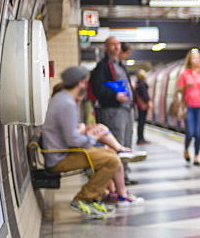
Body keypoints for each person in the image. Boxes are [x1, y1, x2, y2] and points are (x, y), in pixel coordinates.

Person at [42, 67, 144, 218]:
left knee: (110, 153)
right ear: (80, 82)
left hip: (61, 152)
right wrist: (92, 137)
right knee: (111, 160)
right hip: (60, 157)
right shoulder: (67, 103)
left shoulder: (61, 99)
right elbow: (73, 139)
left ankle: (97, 197)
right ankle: (84, 198)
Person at [90, 36, 139, 185]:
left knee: (127, 142)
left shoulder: (120, 65)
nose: (116, 47)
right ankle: (117, 179)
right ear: (106, 47)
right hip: (113, 110)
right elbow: (97, 88)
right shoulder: (103, 67)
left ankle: (125, 175)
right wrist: (114, 95)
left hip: (126, 110)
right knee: (117, 142)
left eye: (118, 45)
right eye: (112, 45)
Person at [176, 49, 200, 165]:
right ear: (189, 59)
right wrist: (186, 86)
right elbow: (179, 89)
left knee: (198, 133)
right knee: (190, 132)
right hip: (189, 105)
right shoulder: (185, 74)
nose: (196, 60)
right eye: (193, 58)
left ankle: (196, 156)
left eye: (197, 58)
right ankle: (186, 149)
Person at [134, 70, 150, 144]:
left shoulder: (138, 84)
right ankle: (141, 139)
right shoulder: (142, 84)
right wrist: (148, 102)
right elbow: (144, 95)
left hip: (139, 105)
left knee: (140, 122)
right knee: (142, 122)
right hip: (143, 105)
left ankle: (140, 138)